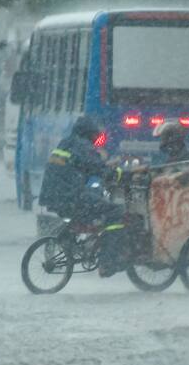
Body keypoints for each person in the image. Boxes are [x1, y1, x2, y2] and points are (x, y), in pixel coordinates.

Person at [38, 116, 130, 277]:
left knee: (93, 201)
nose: (96, 139)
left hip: (52, 196)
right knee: (115, 212)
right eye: (95, 135)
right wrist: (120, 175)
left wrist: (103, 167)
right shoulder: (83, 146)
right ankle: (107, 262)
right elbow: (97, 167)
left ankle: (69, 239)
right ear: (88, 134)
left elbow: (82, 165)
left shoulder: (66, 143)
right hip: (69, 196)